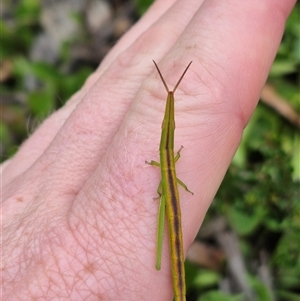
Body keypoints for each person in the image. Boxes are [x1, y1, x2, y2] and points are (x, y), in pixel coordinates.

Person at [2, 0, 296, 300]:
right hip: (169, 189)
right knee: (164, 244)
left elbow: (168, 156)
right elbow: (169, 158)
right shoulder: (166, 152)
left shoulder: (165, 150)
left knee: (171, 241)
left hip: (170, 187)